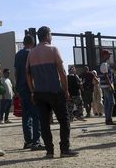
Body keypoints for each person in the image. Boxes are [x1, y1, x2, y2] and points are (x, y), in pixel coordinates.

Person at [26, 26, 78, 158]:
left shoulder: (31, 53)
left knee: (44, 123)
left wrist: (32, 91)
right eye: (51, 34)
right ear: (47, 36)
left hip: (39, 93)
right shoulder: (53, 49)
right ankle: (64, 149)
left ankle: (49, 151)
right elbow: (62, 72)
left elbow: (28, 74)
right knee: (64, 119)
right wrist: (66, 90)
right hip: (54, 91)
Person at [14, 35, 44, 150]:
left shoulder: (18, 55)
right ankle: (36, 141)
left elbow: (16, 72)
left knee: (25, 116)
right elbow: (34, 72)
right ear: (32, 43)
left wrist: (17, 87)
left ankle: (28, 141)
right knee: (36, 115)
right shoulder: (32, 53)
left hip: (21, 88)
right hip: (31, 87)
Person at [99, 49, 116, 125]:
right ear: (104, 55)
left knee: (107, 103)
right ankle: (109, 119)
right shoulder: (104, 64)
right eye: (108, 54)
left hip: (105, 86)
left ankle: (108, 119)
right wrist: (111, 86)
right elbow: (106, 77)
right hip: (107, 86)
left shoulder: (104, 64)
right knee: (111, 102)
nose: (109, 56)